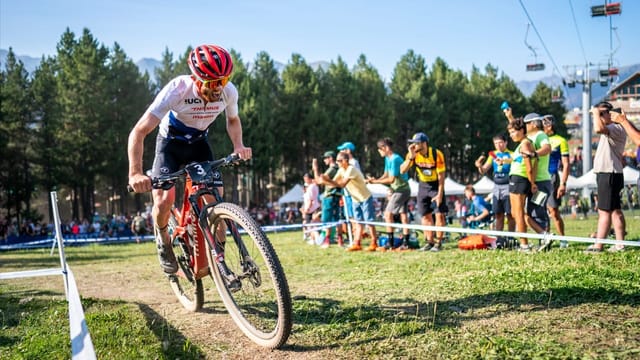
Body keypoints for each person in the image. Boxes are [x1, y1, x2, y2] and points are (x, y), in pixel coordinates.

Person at [127, 44, 252, 274]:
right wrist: (135, 173)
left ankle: (219, 261)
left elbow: (233, 120)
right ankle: (163, 239)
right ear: (196, 79)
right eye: (213, 82)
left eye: (223, 81)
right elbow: (139, 131)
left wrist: (238, 145)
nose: (218, 89)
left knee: (214, 202)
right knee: (164, 200)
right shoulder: (177, 90)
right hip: (170, 144)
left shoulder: (228, 91)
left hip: (198, 144)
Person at [585, 101, 627, 253]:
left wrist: (596, 112)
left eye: (603, 113)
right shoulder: (612, 128)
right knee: (615, 210)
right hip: (611, 173)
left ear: (611, 114)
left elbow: (597, 128)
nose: (600, 116)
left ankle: (598, 246)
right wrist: (598, 113)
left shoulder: (615, 127)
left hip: (608, 173)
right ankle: (620, 243)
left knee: (604, 211)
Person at [317, 152, 378, 252]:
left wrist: (327, 181)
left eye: (339, 161)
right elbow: (333, 183)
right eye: (336, 161)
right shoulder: (341, 170)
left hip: (365, 197)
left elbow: (342, 184)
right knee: (358, 222)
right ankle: (357, 243)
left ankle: (374, 243)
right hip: (355, 199)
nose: (337, 163)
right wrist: (325, 180)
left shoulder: (351, 169)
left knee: (369, 221)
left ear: (346, 161)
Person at [400, 132, 448, 252]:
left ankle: (438, 243)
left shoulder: (436, 154)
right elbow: (402, 170)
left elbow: (441, 177)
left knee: (439, 215)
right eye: (413, 143)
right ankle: (429, 242)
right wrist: (410, 157)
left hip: (436, 185)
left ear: (424, 143)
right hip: (423, 186)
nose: (414, 145)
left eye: (416, 143)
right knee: (425, 215)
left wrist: (439, 194)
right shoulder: (413, 154)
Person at [366, 137, 412, 251]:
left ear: (385, 148)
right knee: (403, 216)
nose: (378, 151)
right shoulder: (388, 158)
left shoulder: (395, 159)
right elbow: (386, 175)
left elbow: (391, 179)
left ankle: (390, 243)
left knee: (387, 214)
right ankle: (405, 243)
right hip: (400, 190)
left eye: (379, 149)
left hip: (401, 190)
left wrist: (375, 182)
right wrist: (374, 180)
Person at [506, 118, 538, 252]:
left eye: (513, 132)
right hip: (517, 178)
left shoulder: (525, 144)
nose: (511, 135)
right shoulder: (522, 144)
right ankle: (541, 233)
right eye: (510, 132)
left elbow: (529, 167)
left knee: (518, 213)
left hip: (520, 179)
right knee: (515, 213)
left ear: (522, 131)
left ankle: (524, 244)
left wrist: (532, 183)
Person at [474, 133, 515, 235]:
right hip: (496, 186)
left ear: (506, 142)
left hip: (508, 186)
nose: (498, 145)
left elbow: (515, 161)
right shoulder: (493, 154)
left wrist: (505, 161)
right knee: (498, 214)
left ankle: (511, 237)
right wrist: (479, 166)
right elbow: (483, 170)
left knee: (510, 214)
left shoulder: (512, 154)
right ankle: (499, 237)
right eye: (496, 143)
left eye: (501, 142)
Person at [541, 114, 570, 248]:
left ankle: (563, 239)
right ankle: (544, 238)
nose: (542, 126)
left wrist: (563, 183)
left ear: (550, 125)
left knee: (553, 210)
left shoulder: (561, 141)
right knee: (539, 210)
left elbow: (566, 164)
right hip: (539, 178)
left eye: (544, 123)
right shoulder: (539, 139)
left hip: (552, 178)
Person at [312, 151, 344, 248]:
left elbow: (319, 181)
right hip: (336, 196)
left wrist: (315, 169)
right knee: (336, 219)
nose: (324, 160)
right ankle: (340, 241)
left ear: (330, 158)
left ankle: (327, 241)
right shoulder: (339, 168)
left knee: (327, 220)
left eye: (326, 158)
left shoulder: (332, 169)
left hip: (330, 196)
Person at [301, 173, 320, 243]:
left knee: (311, 225)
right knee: (312, 225)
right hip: (314, 208)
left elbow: (311, 200)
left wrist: (307, 209)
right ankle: (313, 239)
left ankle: (315, 239)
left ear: (310, 179)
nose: (305, 180)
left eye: (306, 179)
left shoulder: (311, 187)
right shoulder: (314, 186)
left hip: (311, 209)